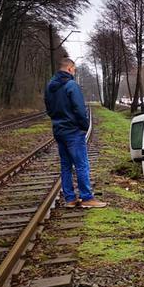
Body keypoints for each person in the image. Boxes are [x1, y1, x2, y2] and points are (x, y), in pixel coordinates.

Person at [44, 58, 106, 208]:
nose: (74, 72)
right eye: (74, 69)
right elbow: (79, 109)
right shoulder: (71, 85)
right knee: (81, 165)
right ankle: (86, 197)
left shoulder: (49, 87)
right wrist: (84, 125)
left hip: (59, 131)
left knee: (66, 166)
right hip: (73, 131)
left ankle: (70, 199)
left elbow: (49, 109)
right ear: (70, 69)